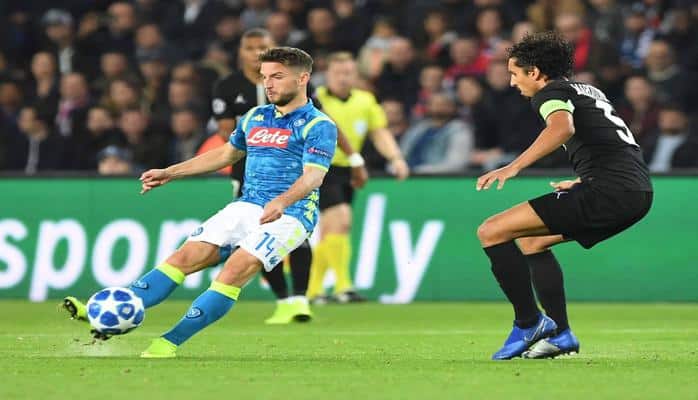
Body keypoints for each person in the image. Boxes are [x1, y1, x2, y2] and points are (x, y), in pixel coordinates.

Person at [62, 47, 338, 358]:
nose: (268, 84)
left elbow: (313, 177)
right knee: (184, 257)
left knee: (234, 270)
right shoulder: (255, 117)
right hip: (247, 205)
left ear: (302, 78)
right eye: (264, 77)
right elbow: (226, 154)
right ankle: (107, 314)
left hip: (291, 214)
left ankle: (168, 343)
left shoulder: (319, 125)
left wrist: (282, 201)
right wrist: (171, 172)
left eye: (277, 76)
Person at [475, 32, 653, 360]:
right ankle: (561, 335)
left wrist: (513, 167)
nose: (512, 82)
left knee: (491, 230)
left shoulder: (549, 93)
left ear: (535, 72)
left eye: (514, 73)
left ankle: (529, 323)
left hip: (609, 192)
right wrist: (585, 179)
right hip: (634, 192)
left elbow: (562, 128)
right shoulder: (587, 89)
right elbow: (614, 142)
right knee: (532, 242)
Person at [209, 29, 362, 323]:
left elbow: (324, 119)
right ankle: (283, 299)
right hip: (249, 172)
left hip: (293, 168)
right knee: (257, 237)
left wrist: (354, 158)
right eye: (250, 47)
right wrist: (263, 136)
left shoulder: (293, 84)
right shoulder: (228, 86)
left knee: (296, 234)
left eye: (262, 47)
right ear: (240, 52)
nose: (256, 53)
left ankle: (300, 299)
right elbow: (226, 134)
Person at [307, 52, 409, 304]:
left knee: (332, 229)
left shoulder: (365, 100)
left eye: (348, 73)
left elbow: (379, 132)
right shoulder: (315, 99)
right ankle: (343, 286)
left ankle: (313, 291)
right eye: (338, 73)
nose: (343, 78)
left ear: (356, 75)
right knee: (341, 219)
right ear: (327, 75)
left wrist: (396, 158)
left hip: (348, 170)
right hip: (319, 167)